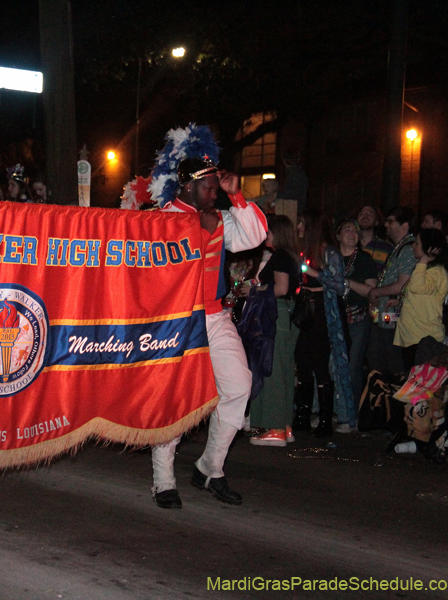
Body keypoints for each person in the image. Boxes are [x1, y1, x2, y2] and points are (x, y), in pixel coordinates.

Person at [148, 124, 267, 509]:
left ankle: (210, 468)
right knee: (176, 401)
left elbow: (255, 236)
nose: (216, 193)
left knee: (239, 386)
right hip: (176, 323)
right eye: (211, 187)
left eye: (218, 188)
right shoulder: (159, 220)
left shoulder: (218, 217)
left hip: (215, 317)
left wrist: (237, 194)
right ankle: (163, 480)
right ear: (187, 186)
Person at [292, 210, 352, 438]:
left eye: (301, 224)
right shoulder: (303, 251)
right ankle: (303, 415)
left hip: (322, 310)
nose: (298, 228)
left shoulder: (330, 252)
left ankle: (326, 419)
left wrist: (313, 272)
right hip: (305, 306)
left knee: (320, 362)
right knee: (303, 360)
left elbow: (338, 284)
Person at [246, 216, 301, 446]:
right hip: (287, 315)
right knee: (285, 370)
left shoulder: (280, 256)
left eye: (268, 231)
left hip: (276, 314)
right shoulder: (291, 256)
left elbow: (281, 288)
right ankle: (285, 425)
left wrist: (254, 290)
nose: (265, 235)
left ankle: (274, 427)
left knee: (273, 370)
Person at [335, 219, 378, 430]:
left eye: (355, 231)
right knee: (334, 366)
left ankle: (353, 416)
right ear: (338, 235)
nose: (352, 234)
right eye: (347, 230)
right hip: (334, 318)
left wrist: (347, 282)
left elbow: (371, 291)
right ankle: (338, 412)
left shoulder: (364, 259)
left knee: (352, 366)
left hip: (357, 318)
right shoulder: (330, 258)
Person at [366, 206, 417, 375]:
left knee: (393, 365)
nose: (386, 225)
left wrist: (376, 292)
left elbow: (403, 284)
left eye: (390, 221)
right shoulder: (398, 248)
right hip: (387, 316)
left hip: (395, 319)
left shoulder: (408, 249)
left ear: (405, 225)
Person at [393, 228, 448, 370]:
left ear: (429, 248)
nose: (413, 246)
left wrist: (424, 259)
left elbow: (417, 287)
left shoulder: (437, 272)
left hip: (424, 338)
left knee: (421, 380)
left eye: (417, 243)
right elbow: (420, 296)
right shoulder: (424, 269)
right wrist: (400, 301)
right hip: (412, 336)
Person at [357, 204, 393, 273]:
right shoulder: (349, 245)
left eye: (370, 214)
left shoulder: (386, 248)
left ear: (376, 222)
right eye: (362, 214)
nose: (365, 217)